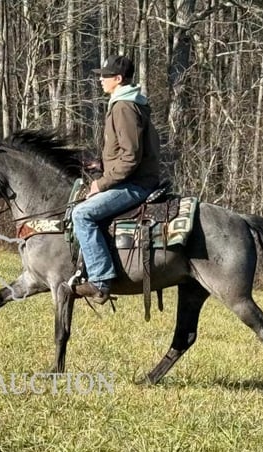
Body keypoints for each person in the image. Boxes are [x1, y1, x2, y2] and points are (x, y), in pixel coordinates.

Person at [70, 55, 161, 304]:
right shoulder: (129, 103)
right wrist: (102, 165)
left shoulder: (123, 107)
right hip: (133, 179)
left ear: (118, 79)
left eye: (105, 76)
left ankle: (99, 280)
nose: (100, 80)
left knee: (82, 214)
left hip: (135, 185)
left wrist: (101, 183)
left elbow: (131, 157)